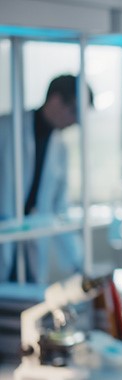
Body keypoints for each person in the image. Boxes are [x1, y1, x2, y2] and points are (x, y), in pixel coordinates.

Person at [0, 74, 91, 283]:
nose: (76, 121)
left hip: (30, 241)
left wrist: (80, 262)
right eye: (74, 111)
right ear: (56, 100)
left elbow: (59, 210)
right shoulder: (7, 128)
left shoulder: (60, 148)